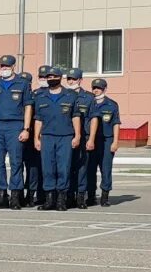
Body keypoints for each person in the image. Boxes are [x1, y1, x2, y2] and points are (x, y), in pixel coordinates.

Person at [28, 65, 79, 211]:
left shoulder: (70, 95)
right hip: (47, 136)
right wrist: (36, 138)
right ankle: (49, 199)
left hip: (65, 136)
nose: (51, 79)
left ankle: (61, 200)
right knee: (48, 168)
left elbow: (75, 116)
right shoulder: (41, 96)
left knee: (63, 168)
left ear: (60, 78)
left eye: (54, 77)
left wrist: (78, 135)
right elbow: (38, 119)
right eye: (48, 77)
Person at [0, 54, 31, 209]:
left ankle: (16, 196)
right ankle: (1, 195)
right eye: (2, 66)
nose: (4, 69)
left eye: (7, 66)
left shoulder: (22, 83)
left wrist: (26, 128)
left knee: (16, 161)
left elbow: (28, 107)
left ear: (13, 67)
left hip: (15, 125)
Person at [84, 78, 120, 206]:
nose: (96, 90)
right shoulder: (89, 102)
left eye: (98, 88)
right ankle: (91, 196)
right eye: (94, 88)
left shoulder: (111, 104)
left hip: (106, 140)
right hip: (91, 140)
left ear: (105, 89)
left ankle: (105, 196)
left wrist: (115, 142)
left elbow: (116, 123)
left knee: (106, 169)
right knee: (90, 169)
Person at [65, 69, 95, 209]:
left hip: (84, 136)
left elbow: (94, 119)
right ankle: (69, 196)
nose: (71, 81)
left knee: (82, 167)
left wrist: (91, 139)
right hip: (66, 136)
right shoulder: (63, 95)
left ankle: (81, 196)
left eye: (74, 79)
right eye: (69, 79)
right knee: (68, 166)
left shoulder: (89, 97)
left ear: (80, 80)